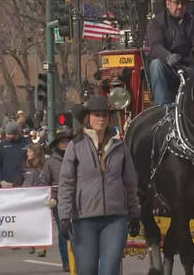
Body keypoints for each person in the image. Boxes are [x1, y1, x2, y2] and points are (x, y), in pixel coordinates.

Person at [57, 96, 141, 275]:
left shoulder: (120, 146)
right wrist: (64, 216)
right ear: (88, 117)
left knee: (109, 270)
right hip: (84, 219)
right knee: (87, 270)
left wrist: (135, 213)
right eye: (97, 115)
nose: (101, 118)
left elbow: (130, 182)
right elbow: (66, 183)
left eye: (105, 115)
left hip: (116, 219)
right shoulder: (76, 145)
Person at [147, 0, 194, 105]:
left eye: (183, 3)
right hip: (167, 71)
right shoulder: (156, 22)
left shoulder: (193, 23)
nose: (180, 6)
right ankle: (163, 109)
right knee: (156, 64)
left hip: (188, 71)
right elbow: (155, 46)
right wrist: (168, 57)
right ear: (168, 4)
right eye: (176, 2)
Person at [43, 126, 73, 272]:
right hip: (59, 201)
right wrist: (52, 198)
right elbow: (45, 183)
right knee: (63, 231)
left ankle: (78, 259)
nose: (64, 143)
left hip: (78, 199)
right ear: (56, 144)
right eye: (61, 141)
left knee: (80, 231)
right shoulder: (50, 162)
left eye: (67, 140)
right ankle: (66, 262)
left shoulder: (77, 157)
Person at [19, 143, 49, 257]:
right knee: (29, 222)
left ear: (35, 153)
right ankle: (31, 242)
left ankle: (41, 247)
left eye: (29, 151)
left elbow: (47, 180)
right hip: (26, 196)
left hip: (40, 197)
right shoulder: (24, 165)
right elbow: (20, 179)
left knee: (40, 223)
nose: (27, 153)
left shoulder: (44, 166)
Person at [0, 121, 29, 188]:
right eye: (6, 133)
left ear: (16, 134)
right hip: (7, 183)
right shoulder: (2, 145)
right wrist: (1, 180)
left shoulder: (27, 143)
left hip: (24, 183)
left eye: (9, 134)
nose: (6, 135)